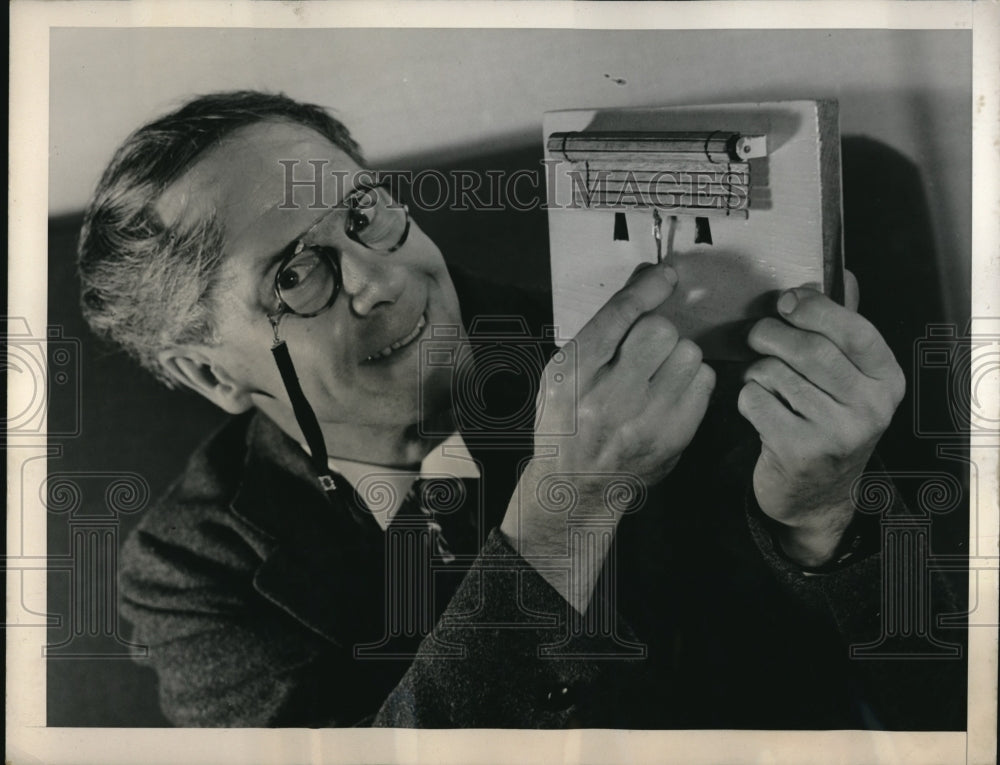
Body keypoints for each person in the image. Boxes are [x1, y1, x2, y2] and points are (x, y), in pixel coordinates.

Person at [78, 90, 961, 729]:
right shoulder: (190, 569)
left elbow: (950, 701)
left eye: (365, 214)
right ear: (210, 374)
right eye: (296, 274)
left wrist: (822, 519)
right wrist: (565, 509)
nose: (384, 277)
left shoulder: (657, 343)